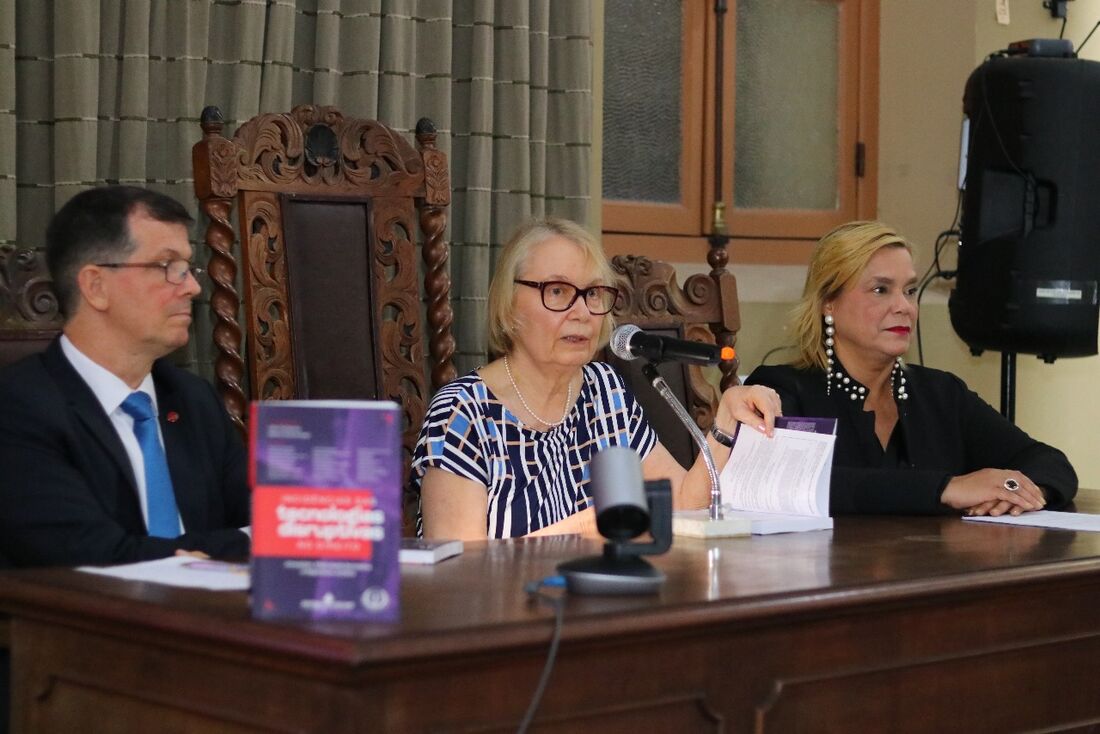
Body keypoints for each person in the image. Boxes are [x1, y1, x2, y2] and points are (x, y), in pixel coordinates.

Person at [412, 217, 781, 540]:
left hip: (606, 609)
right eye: (557, 291)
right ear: (509, 306)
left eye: (593, 294)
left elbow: (683, 503)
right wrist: (585, 530)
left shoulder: (605, 391)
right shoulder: (461, 413)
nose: (582, 311)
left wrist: (725, 423)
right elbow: (458, 567)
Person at [747, 221, 1077, 516]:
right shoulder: (781, 389)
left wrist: (1018, 493)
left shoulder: (942, 394)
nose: (904, 307)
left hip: (934, 576)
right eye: (881, 290)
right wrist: (948, 489)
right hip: (830, 577)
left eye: (910, 291)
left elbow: (1049, 462)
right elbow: (794, 480)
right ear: (827, 303)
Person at [0, 186, 251, 568]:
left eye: (188, 268)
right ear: (96, 286)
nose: (193, 287)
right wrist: (237, 546)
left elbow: (271, 523)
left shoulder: (192, 399)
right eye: (168, 267)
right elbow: (96, 558)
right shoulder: (20, 407)